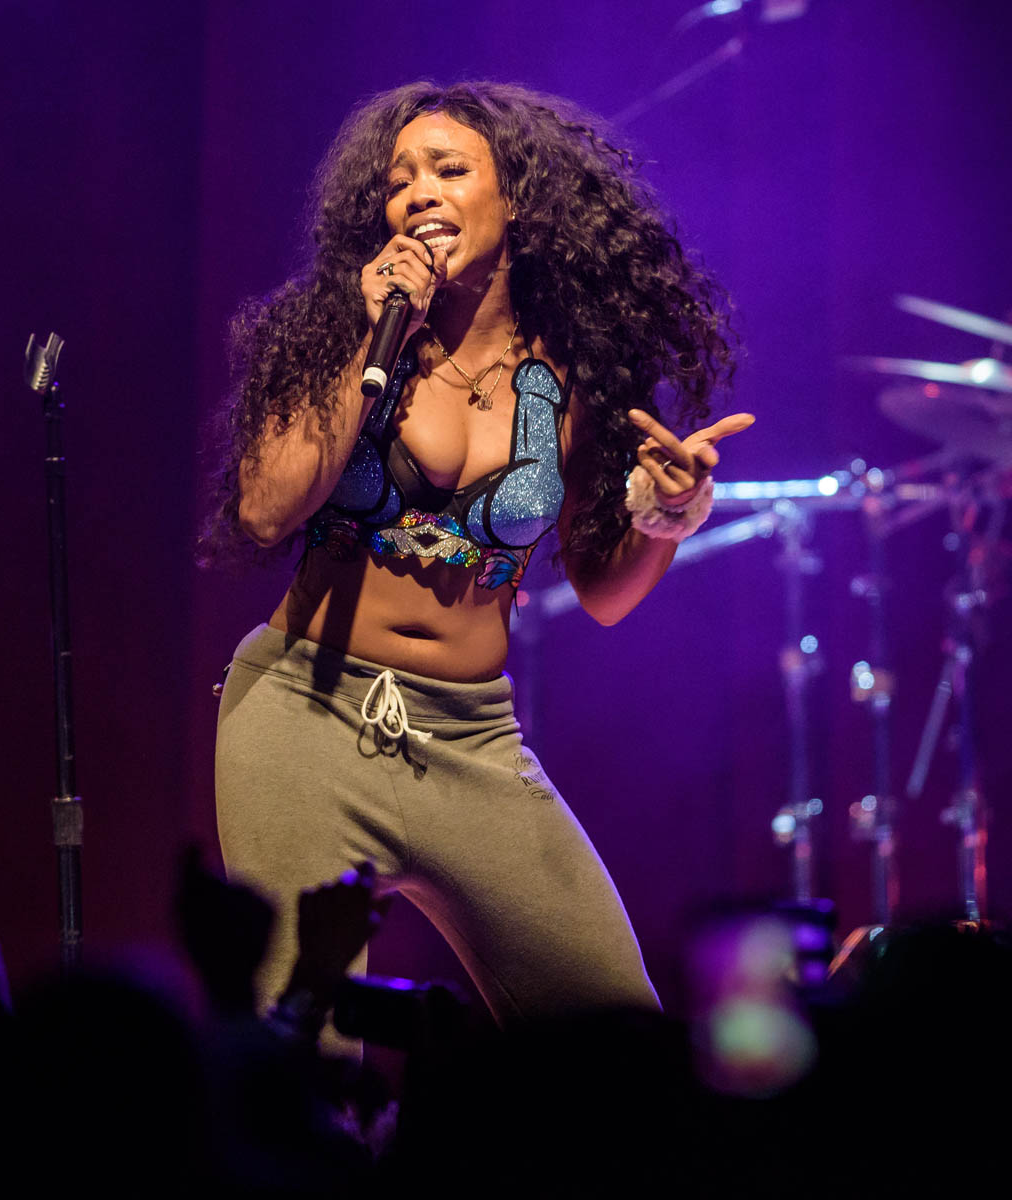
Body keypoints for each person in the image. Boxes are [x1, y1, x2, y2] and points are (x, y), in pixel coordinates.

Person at [203, 81, 751, 1038]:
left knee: (616, 1040)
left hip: (470, 739)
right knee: (302, 1060)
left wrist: (667, 516)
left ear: (519, 201)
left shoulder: (576, 373)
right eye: (399, 180)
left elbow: (605, 593)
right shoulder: (341, 331)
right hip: (304, 717)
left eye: (449, 170)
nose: (418, 193)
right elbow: (262, 508)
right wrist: (374, 334)